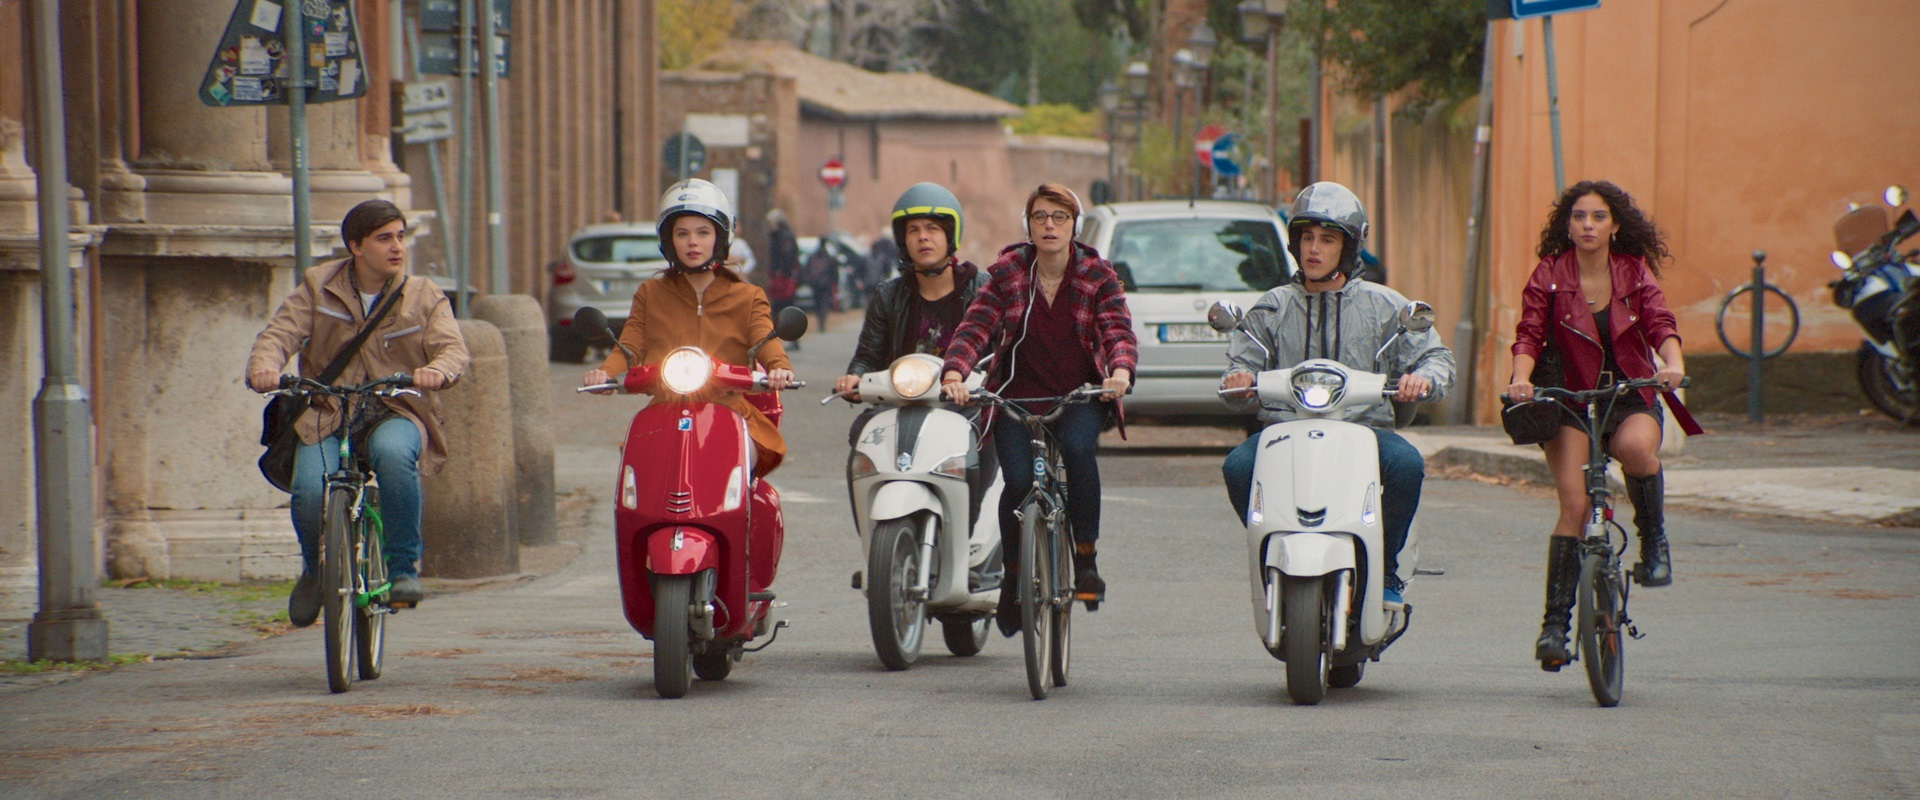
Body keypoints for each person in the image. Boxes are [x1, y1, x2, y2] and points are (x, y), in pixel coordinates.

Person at [1219, 182, 1454, 607]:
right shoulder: (1271, 307)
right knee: (1238, 467)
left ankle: (1385, 568)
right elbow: (1243, 363)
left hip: (1364, 431)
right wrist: (1239, 379)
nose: (1314, 249)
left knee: (1406, 465)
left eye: (1327, 239)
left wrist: (1422, 378)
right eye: (1306, 237)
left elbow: (1436, 356)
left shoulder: (1386, 306)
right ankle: (1271, 551)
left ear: (1350, 247)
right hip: (1285, 432)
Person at [1506, 179, 1701, 672]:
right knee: (1574, 505)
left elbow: (1660, 322)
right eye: (1578, 217)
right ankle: (1554, 628)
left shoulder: (1633, 271)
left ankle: (1654, 543)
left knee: (1636, 449)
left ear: (1614, 225)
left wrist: (1671, 364)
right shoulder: (1550, 273)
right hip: (1569, 396)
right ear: (1566, 225)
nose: (1587, 225)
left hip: (1629, 390)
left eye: (1597, 217)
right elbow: (1528, 332)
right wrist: (1520, 380)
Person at [247, 199, 470, 624]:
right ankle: (316, 573)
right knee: (310, 493)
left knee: (392, 455)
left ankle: (403, 570)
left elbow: (451, 349)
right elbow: (279, 334)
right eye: (384, 238)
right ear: (355, 245)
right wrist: (265, 366)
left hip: (395, 407)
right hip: (329, 410)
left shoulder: (423, 295)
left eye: (401, 237)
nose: (397, 247)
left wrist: (437, 371)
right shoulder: (317, 286)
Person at [939, 182, 1137, 635]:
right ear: (1027, 224)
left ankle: (1085, 561)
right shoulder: (1009, 273)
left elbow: (1117, 333)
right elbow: (976, 327)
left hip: (1080, 395)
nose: (1050, 225)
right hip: (1016, 395)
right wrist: (955, 373)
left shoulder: (1096, 275)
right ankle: (1012, 579)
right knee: (1019, 482)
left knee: (1079, 450)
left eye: (1060, 217)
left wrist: (1120, 373)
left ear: (1074, 224)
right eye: (1040, 217)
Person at [583, 179, 796, 475]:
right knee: (636, 474)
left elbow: (765, 337)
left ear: (719, 239)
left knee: (736, 469)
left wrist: (779, 367)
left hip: (729, 409)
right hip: (664, 410)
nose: (692, 242)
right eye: (682, 233)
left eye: (703, 233)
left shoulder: (747, 296)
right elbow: (629, 345)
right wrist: (604, 373)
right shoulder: (650, 293)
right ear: (669, 241)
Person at [834, 183, 995, 516]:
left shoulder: (982, 289)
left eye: (933, 228)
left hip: (964, 406)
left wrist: (981, 384)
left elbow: (1000, 354)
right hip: (900, 404)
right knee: (860, 439)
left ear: (951, 235)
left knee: (988, 440)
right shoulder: (888, 295)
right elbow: (867, 355)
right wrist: (854, 378)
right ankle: (874, 539)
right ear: (902, 240)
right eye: (914, 230)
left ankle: (973, 528)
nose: (924, 237)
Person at [766, 209, 802, 328]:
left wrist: (781, 271)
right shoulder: (777, 235)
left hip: (783, 277)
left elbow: (788, 256)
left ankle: (789, 335)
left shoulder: (783, 236)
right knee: (779, 306)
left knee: (785, 306)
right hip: (780, 276)